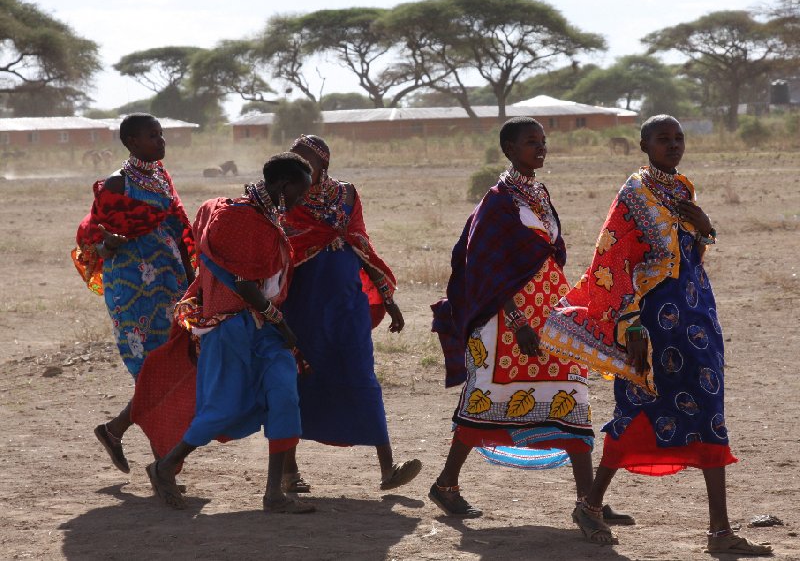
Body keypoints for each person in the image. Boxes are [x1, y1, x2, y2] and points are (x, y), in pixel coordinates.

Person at [539, 115, 772, 555]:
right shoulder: (633, 195)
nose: (673, 145)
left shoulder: (683, 189)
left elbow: (694, 253)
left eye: (679, 138)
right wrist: (630, 325)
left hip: (697, 317)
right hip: (652, 326)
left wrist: (707, 227)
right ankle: (591, 503)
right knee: (640, 410)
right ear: (643, 143)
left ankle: (719, 531)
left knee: (709, 409)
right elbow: (614, 264)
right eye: (663, 139)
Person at [429, 117, 630, 524]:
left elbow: (551, 257)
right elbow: (483, 268)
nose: (540, 148)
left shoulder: (539, 194)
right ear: (508, 149)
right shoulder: (498, 202)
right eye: (529, 142)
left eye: (542, 141)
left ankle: (587, 500)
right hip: (506, 320)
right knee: (486, 398)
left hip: (552, 317)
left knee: (572, 395)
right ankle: (446, 485)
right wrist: (518, 320)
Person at [145, 152, 314, 513]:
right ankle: (164, 466)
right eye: (301, 190)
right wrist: (280, 322)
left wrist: (275, 322)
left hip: (265, 329)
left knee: (285, 396)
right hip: (232, 328)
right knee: (222, 407)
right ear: (283, 185)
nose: (304, 198)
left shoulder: (266, 215)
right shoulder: (235, 216)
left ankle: (274, 494)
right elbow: (243, 283)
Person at [279, 134, 422, 492]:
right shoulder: (283, 197)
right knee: (296, 380)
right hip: (302, 305)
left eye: (306, 161)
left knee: (362, 375)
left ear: (323, 165)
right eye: (293, 159)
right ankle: (288, 472)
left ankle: (388, 468)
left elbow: (360, 243)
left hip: (347, 304)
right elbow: (277, 249)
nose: (297, 166)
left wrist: (387, 298)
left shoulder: (347, 194)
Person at [72, 113, 195, 474]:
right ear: (131, 142)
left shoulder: (161, 179)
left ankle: (115, 431)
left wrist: (191, 281)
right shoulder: (116, 184)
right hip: (130, 286)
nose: (161, 141)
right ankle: (164, 463)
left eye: (162, 134)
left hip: (169, 285)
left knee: (174, 367)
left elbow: (179, 230)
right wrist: (109, 243)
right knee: (150, 372)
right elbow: (93, 240)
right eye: (152, 136)